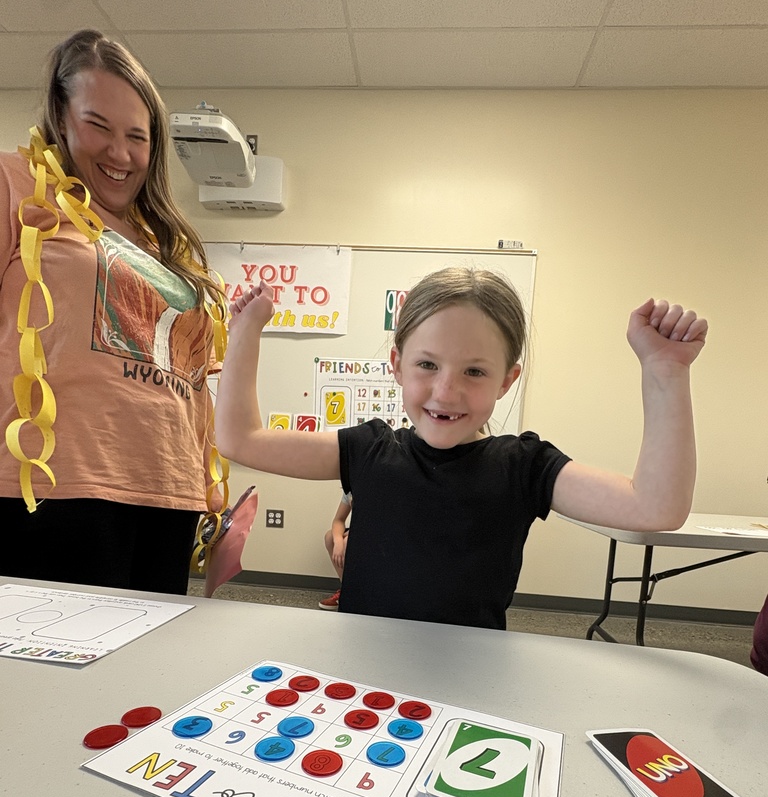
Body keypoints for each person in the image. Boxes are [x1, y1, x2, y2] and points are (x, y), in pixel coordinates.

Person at [216, 267, 707, 630]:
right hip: (361, 663)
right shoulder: (367, 450)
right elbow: (241, 440)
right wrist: (245, 331)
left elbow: (656, 507)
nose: (446, 392)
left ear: (507, 380)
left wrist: (665, 372)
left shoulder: (523, 467)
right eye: (427, 365)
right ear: (397, 364)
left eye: (474, 371)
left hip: (471, 672)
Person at [0, 29, 227, 595]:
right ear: (59, 114)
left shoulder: (163, 243)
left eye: (138, 137)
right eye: (97, 126)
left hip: (167, 490)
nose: (121, 154)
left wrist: (208, 485)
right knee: (55, 674)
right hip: (58, 483)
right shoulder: (18, 184)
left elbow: (194, 383)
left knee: (145, 673)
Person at [319, 492, 352, 610]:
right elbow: (339, 519)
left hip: (382, 535)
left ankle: (357, 592)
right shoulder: (351, 490)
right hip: (358, 530)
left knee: (347, 542)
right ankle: (347, 590)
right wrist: (337, 541)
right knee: (330, 537)